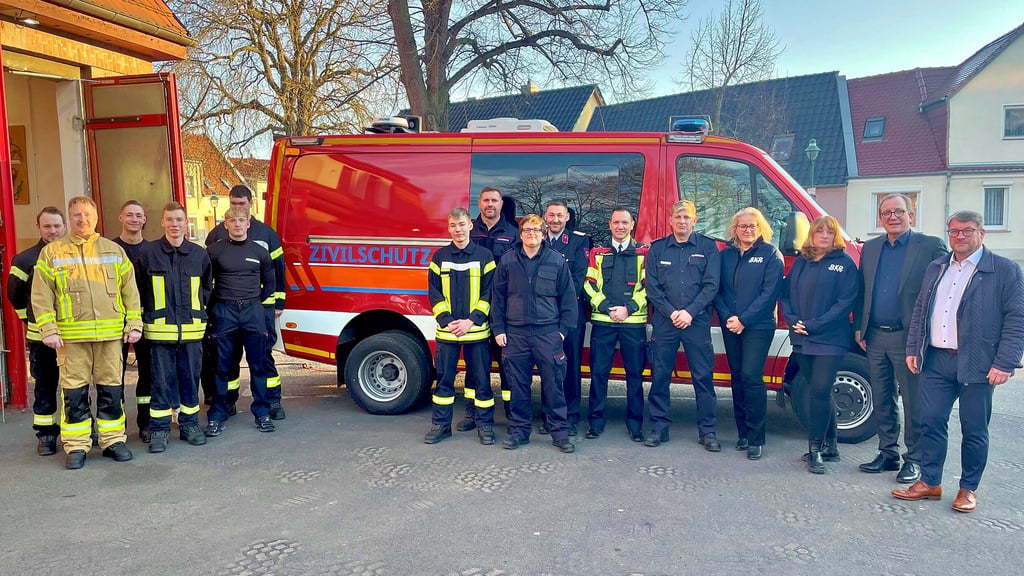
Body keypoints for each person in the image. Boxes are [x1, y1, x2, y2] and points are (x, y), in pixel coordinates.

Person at [893, 211, 1024, 513]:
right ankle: (930, 482)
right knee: (930, 421)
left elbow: (1017, 318)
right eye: (954, 231)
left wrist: (1005, 362)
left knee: (974, 428)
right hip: (936, 360)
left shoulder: (1004, 270)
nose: (960, 236)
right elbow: (921, 310)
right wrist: (913, 348)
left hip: (978, 363)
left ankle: (968, 488)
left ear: (981, 233)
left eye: (967, 230)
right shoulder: (937, 266)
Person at [32, 196, 143, 469]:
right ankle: (77, 446)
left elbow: (130, 291)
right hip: (71, 339)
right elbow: (41, 295)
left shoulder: (113, 250)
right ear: (70, 218)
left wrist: (134, 324)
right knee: (74, 394)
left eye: (87, 214)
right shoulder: (53, 253)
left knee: (111, 391)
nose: (83, 219)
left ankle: (113, 441)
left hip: (110, 337)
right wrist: (48, 329)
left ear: (96, 217)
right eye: (77, 215)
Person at [855, 194, 947, 483]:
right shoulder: (871, 248)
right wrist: (859, 328)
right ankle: (888, 453)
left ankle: (915, 459)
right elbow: (862, 290)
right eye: (886, 213)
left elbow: (944, 291)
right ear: (880, 218)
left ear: (911, 215)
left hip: (908, 338)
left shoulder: (930, 246)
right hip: (874, 336)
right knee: (882, 398)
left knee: (913, 401)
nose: (892, 217)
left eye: (898, 212)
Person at [492, 214, 578, 453]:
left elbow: (569, 300)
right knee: (518, 387)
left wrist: (561, 332)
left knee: (554, 387)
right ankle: (519, 432)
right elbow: (497, 298)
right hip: (515, 334)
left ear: (543, 234)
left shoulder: (556, 261)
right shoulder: (508, 260)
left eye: (536, 230)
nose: (531, 234)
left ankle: (559, 433)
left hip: (547, 334)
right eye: (527, 230)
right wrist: (498, 329)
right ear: (521, 234)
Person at [780, 215, 858, 474]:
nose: (824, 236)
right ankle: (831, 446)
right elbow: (785, 294)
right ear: (811, 234)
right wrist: (793, 321)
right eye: (819, 231)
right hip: (801, 337)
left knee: (820, 390)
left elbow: (845, 303)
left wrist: (814, 324)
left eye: (829, 232)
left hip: (829, 339)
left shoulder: (844, 264)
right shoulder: (802, 262)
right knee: (818, 390)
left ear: (836, 236)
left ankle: (815, 449)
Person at [135, 202, 213, 453]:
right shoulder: (148, 253)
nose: (174, 224)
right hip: (159, 333)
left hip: (191, 332)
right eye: (169, 219)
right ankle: (159, 430)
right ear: (162, 222)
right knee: (160, 383)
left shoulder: (199, 254)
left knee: (190, 380)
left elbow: (207, 290)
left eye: (179, 219)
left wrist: (197, 315)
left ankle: (190, 425)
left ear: (185, 223)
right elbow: (138, 290)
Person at [203, 185, 286, 420]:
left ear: (250, 204)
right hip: (226, 308)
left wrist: (276, 302)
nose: (238, 210)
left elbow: (277, 271)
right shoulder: (216, 237)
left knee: (262, 357)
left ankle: (272, 401)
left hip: (259, 308)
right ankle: (227, 402)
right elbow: (206, 277)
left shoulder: (266, 234)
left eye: (242, 204)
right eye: (233, 204)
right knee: (226, 360)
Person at [645, 200, 721, 449]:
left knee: (702, 377)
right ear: (670, 220)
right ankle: (659, 427)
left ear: (694, 221)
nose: (682, 221)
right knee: (660, 376)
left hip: (696, 322)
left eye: (686, 217)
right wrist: (671, 312)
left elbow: (712, 285)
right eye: (677, 217)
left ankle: (708, 431)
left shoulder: (707, 247)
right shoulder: (658, 248)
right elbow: (652, 287)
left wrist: (689, 312)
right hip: (665, 322)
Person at [713, 207, 784, 460]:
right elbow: (717, 290)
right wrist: (727, 317)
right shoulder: (726, 255)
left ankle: (756, 438)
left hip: (758, 325)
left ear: (760, 228)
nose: (747, 230)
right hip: (731, 324)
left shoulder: (771, 254)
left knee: (751, 376)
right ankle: (742, 432)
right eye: (742, 226)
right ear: (735, 229)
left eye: (752, 226)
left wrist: (744, 319)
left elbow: (769, 294)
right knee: (736, 377)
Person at [423, 208, 497, 445]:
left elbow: (490, 292)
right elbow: (434, 293)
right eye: (453, 225)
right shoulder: (439, 257)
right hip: (448, 332)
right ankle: (441, 425)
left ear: (470, 225)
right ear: (448, 228)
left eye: (462, 224)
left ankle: (484, 425)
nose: (458, 230)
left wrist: (471, 320)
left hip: (476, 331)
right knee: (444, 381)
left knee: (481, 381)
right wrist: (448, 321)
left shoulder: (485, 256)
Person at [583, 207, 647, 441]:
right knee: (599, 374)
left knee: (635, 375)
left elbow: (648, 286)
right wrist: (606, 307)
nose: (620, 226)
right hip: (604, 322)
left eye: (625, 222)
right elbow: (589, 284)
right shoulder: (598, 252)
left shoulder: (643, 253)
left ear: (632, 225)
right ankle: (595, 422)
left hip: (633, 323)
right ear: (610, 225)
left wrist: (628, 308)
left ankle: (635, 425)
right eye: (616, 222)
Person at [7, 207, 66, 456]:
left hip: (72, 335)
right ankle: (46, 435)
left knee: (77, 387)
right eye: (47, 226)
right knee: (45, 386)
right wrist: (29, 318)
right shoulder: (25, 259)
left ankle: (78, 432)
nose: (52, 231)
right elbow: (14, 294)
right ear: (38, 227)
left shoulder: (73, 256)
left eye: (57, 226)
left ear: (64, 227)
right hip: (41, 337)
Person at [469, 186, 518, 426]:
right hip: (474, 308)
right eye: (486, 200)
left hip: (503, 308)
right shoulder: (469, 231)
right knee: (476, 365)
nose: (490, 204)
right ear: (479, 203)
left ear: (501, 204)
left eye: (494, 200)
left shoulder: (513, 233)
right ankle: (472, 413)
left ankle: (511, 413)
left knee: (506, 362)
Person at [543, 200, 591, 436]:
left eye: (559, 215)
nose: (555, 220)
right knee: (547, 365)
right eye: (551, 215)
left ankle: (570, 416)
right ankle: (549, 415)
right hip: (542, 314)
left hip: (570, 313)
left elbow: (578, 279)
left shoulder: (579, 241)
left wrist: (550, 297)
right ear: (545, 217)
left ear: (567, 217)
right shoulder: (537, 239)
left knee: (570, 366)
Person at [112, 200, 154, 442]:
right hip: (115, 320)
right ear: (120, 218)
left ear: (145, 220)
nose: (134, 219)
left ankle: (146, 423)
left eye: (139, 215)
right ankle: (116, 428)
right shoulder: (109, 250)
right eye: (129, 215)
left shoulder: (152, 251)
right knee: (114, 376)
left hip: (145, 320)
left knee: (148, 373)